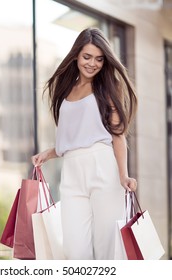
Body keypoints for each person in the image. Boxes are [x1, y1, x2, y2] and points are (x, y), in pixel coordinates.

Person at [31, 27, 138, 260]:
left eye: (99, 59)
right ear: (76, 55)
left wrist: (123, 175)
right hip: (71, 172)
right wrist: (48, 154)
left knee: (107, 247)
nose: (92, 64)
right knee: (74, 249)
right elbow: (72, 137)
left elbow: (117, 135)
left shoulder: (107, 89)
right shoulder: (65, 89)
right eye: (87, 57)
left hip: (103, 168)